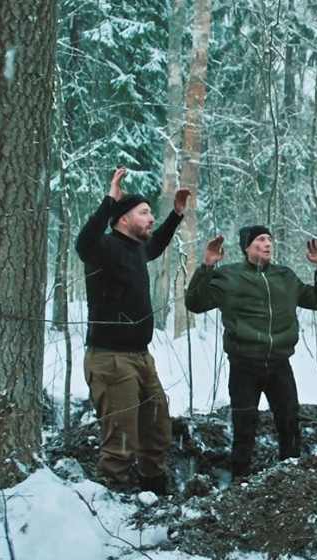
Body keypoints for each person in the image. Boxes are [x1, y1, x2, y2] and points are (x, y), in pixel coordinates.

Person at [75, 167, 192, 493]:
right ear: (122, 219)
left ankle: (154, 490)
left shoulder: (137, 249)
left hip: (141, 357)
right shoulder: (104, 249)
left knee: (157, 429)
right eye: (144, 213)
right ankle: (113, 503)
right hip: (111, 360)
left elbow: (155, 246)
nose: (150, 218)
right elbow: (83, 244)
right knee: (121, 440)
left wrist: (176, 215)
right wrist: (109, 200)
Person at [184, 225, 317, 478]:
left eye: (269, 239)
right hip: (244, 366)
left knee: (290, 424)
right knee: (244, 429)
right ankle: (240, 483)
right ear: (246, 247)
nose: (267, 244)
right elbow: (195, 303)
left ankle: (292, 478)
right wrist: (207, 266)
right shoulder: (229, 277)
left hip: (279, 365)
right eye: (260, 239)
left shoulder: (285, 276)